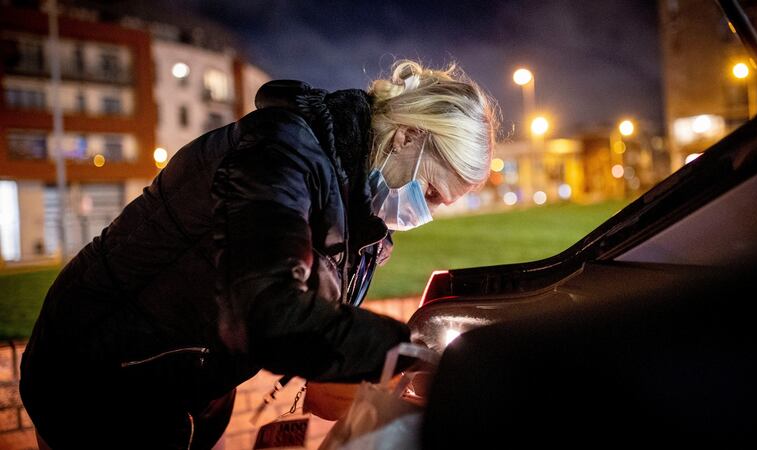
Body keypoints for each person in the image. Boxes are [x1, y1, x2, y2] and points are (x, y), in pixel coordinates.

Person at [20, 59, 497, 449]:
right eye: (431, 192)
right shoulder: (278, 153)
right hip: (99, 382)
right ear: (408, 136)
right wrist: (410, 356)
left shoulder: (358, 210)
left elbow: (314, 326)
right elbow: (267, 310)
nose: (426, 212)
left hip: (184, 385)